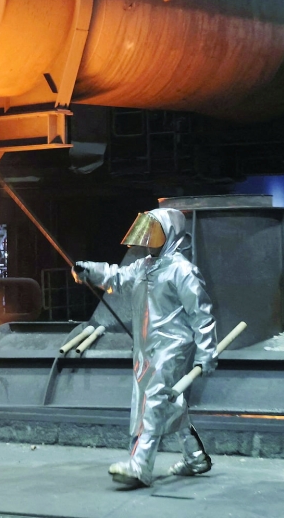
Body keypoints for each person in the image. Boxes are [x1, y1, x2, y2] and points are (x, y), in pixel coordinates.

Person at [73, 208, 217, 488]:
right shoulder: (143, 266)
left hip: (173, 347)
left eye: (156, 232)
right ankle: (196, 456)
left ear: (170, 233)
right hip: (146, 348)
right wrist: (89, 270)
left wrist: (205, 353)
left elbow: (202, 315)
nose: (149, 238)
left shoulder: (182, 270)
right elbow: (116, 277)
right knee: (170, 404)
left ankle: (140, 465)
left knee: (152, 401)